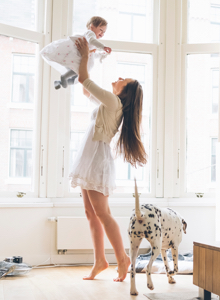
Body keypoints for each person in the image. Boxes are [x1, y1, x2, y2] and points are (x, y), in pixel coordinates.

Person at [70, 36, 147, 282]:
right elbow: (84, 88)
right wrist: (90, 57)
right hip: (89, 157)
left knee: (102, 213)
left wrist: (84, 56)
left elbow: (83, 79)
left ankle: (122, 258)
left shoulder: (114, 102)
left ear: (124, 92)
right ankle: (100, 261)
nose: (119, 78)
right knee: (90, 213)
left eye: (124, 80)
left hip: (95, 159)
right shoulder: (110, 103)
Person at [39, 16, 112, 90]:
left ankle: (59, 82)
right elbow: (91, 40)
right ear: (92, 27)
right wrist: (103, 47)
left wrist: (101, 54)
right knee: (76, 74)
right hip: (76, 58)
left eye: (104, 32)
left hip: (77, 59)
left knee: (76, 79)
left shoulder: (93, 44)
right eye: (101, 30)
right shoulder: (90, 34)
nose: (102, 33)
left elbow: (92, 54)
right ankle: (63, 77)